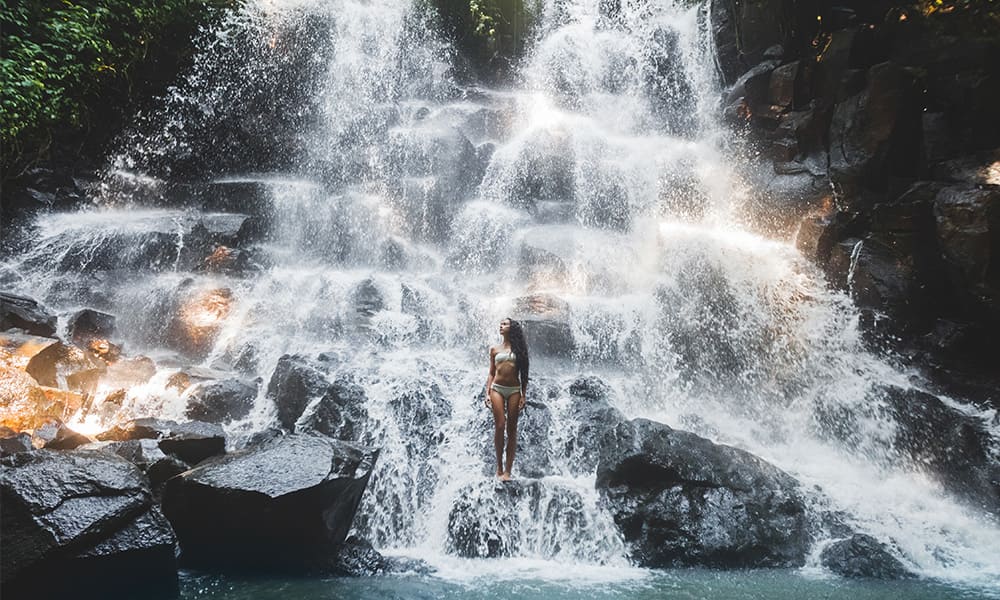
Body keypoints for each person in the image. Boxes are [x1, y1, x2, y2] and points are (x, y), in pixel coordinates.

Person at [485, 317, 530, 481]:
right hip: (497, 388)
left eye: (504, 324)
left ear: (512, 328)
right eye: (500, 324)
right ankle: (499, 467)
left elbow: (524, 374)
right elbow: (491, 373)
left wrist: (523, 394)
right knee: (500, 425)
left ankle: (508, 471)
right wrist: (487, 392)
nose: (501, 326)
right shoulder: (494, 350)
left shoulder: (520, 350)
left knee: (511, 429)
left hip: (514, 390)